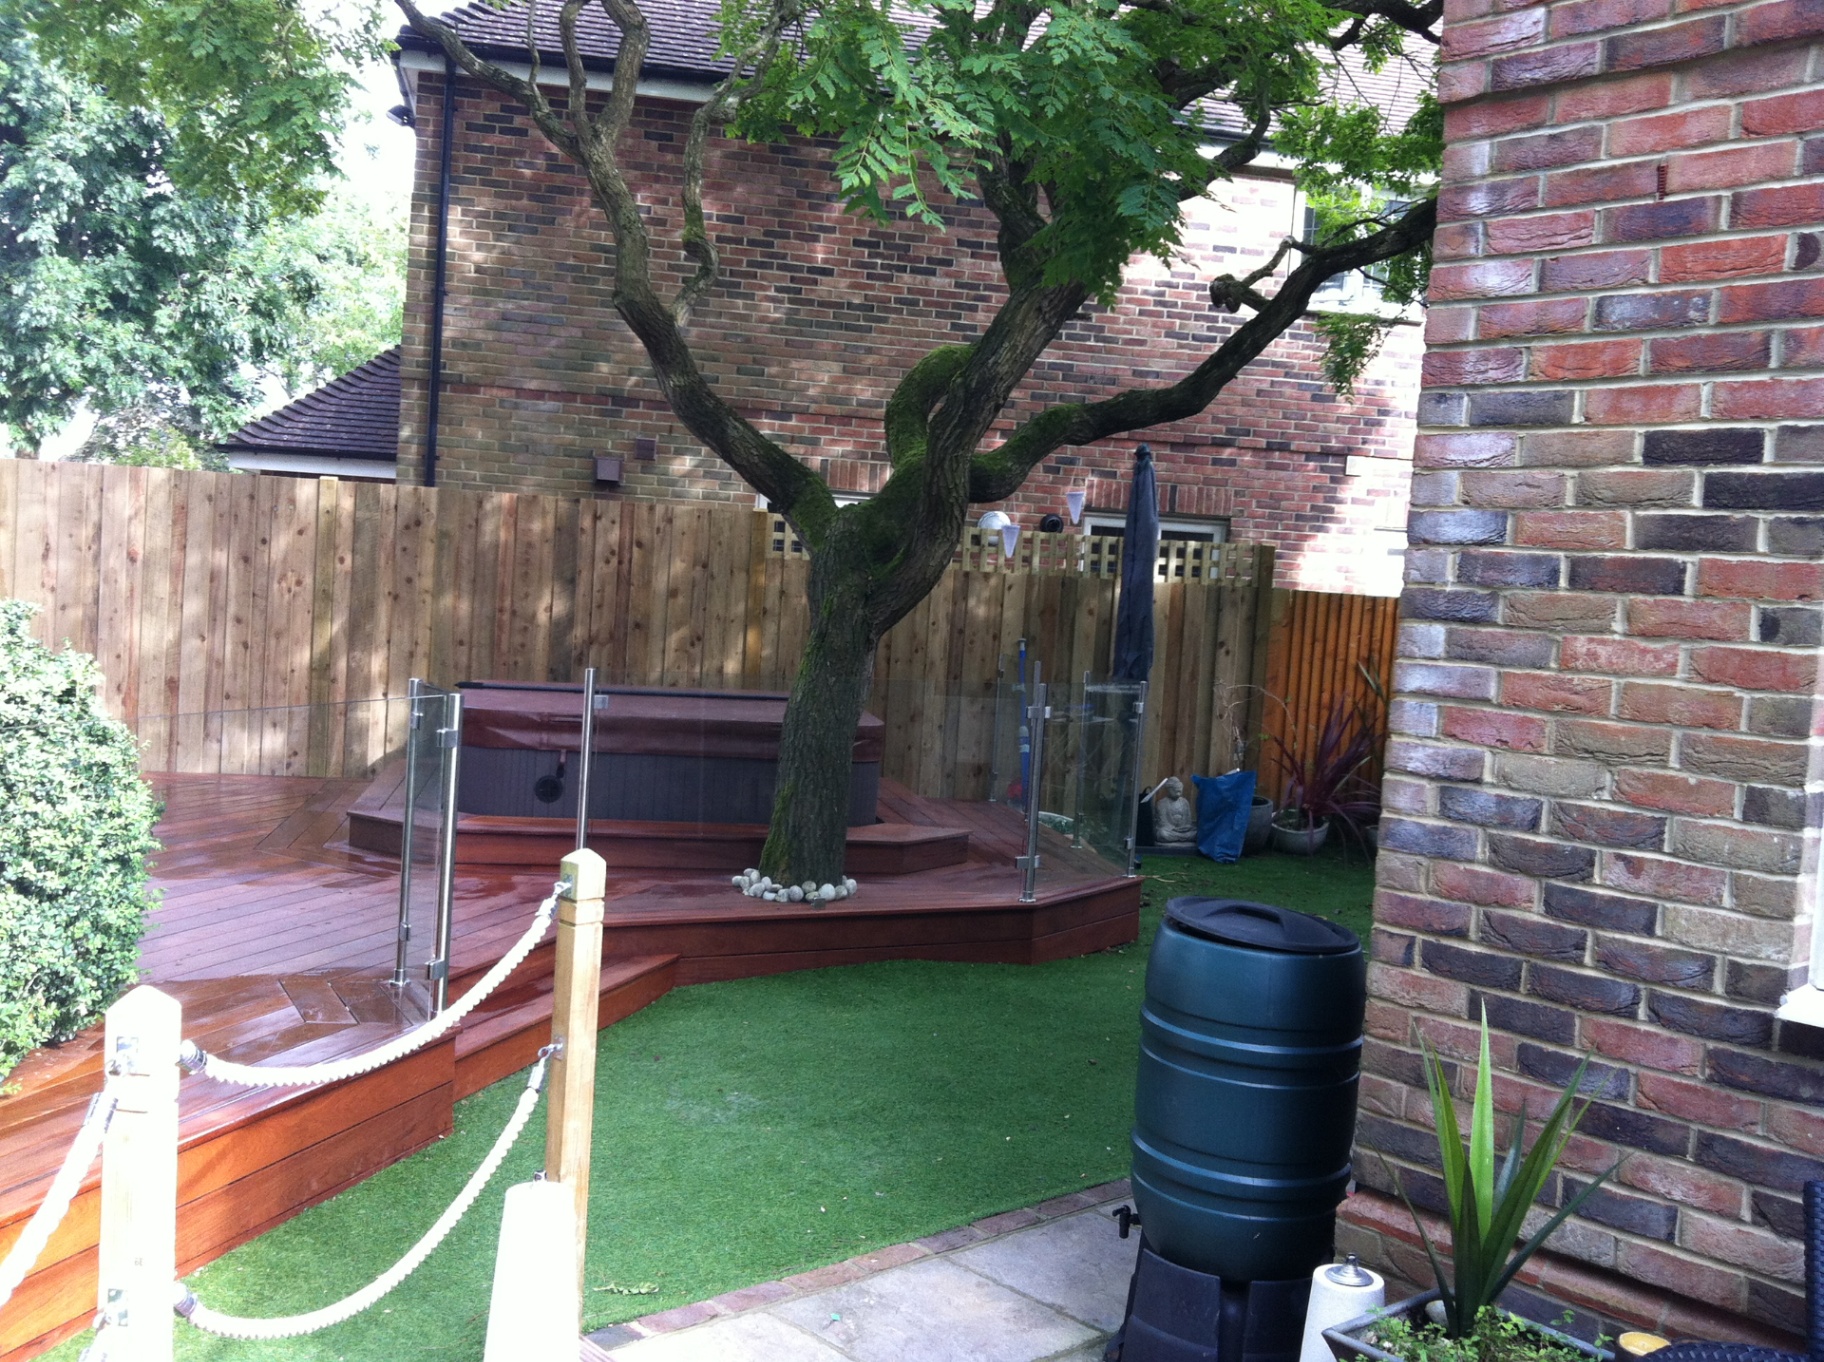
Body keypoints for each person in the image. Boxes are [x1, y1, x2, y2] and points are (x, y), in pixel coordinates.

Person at [1153, 776, 1196, 843]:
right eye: (1176, 791)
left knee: (1196, 833)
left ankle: (1179, 837)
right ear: (1169, 790)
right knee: (1162, 833)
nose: (1178, 794)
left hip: (1183, 830)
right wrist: (1174, 829)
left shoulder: (1185, 802)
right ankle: (1182, 838)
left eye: (1180, 791)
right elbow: (1163, 822)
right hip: (1169, 830)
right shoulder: (1161, 803)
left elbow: (1188, 821)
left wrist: (1184, 827)